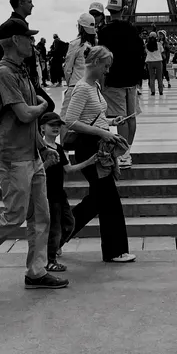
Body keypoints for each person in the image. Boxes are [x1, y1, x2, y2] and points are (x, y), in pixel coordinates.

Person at [0, 18, 68, 292]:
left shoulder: (21, 71)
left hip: (30, 154)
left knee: (41, 215)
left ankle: (36, 271)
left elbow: (29, 121)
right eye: (28, 37)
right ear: (16, 40)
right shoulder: (4, 73)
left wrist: (42, 147)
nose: (32, 42)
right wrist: (43, 105)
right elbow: (25, 114)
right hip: (12, 156)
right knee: (14, 215)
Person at [64, 45, 136, 264]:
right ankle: (115, 251)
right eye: (105, 66)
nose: (107, 71)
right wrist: (102, 132)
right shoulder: (82, 88)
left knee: (97, 200)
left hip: (96, 146)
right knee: (109, 199)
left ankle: (55, 237)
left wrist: (111, 122)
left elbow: (93, 115)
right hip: (90, 149)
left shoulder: (93, 86)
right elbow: (70, 121)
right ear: (95, 62)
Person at [40, 111, 98, 272]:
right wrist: (47, 164)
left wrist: (89, 162)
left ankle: (52, 250)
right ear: (42, 128)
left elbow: (68, 169)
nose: (56, 128)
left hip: (59, 193)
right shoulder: (40, 149)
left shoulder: (59, 148)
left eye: (58, 126)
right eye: (52, 125)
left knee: (69, 224)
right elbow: (35, 172)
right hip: (46, 194)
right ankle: (49, 260)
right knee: (54, 228)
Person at [98, 0, 146, 169]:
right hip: (131, 79)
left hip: (114, 79)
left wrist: (102, 79)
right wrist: (138, 77)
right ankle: (127, 152)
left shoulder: (104, 31)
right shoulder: (132, 29)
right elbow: (141, 54)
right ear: (123, 9)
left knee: (121, 119)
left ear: (108, 11)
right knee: (131, 117)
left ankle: (123, 154)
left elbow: (102, 56)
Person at [61, 13, 98, 126]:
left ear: (80, 27)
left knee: (65, 120)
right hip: (91, 87)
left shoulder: (75, 44)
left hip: (75, 85)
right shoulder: (96, 45)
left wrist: (69, 84)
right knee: (87, 121)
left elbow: (68, 68)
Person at [0, 0, 34, 69]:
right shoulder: (11, 27)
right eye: (29, 2)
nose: (32, 5)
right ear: (21, 3)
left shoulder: (9, 26)